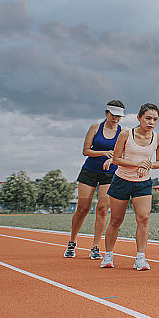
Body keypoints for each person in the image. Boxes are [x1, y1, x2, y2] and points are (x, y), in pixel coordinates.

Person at [100, 103, 159, 270]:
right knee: (116, 220)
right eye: (148, 118)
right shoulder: (126, 134)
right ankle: (108, 255)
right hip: (122, 180)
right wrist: (138, 164)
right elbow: (116, 160)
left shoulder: (158, 138)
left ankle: (140, 258)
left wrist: (148, 165)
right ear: (139, 118)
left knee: (144, 218)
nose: (151, 122)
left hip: (143, 183)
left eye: (155, 119)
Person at [65, 100, 125, 259]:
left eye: (119, 116)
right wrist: (103, 153)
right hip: (90, 171)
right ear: (106, 113)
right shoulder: (95, 128)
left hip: (109, 173)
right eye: (113, 115)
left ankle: (95, 247)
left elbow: (123, 154)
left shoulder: (123, 132)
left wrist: (112, 158)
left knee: (103, 209)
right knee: (82, 208)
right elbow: (85, 151)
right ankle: (72, 242)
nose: (116, 119)